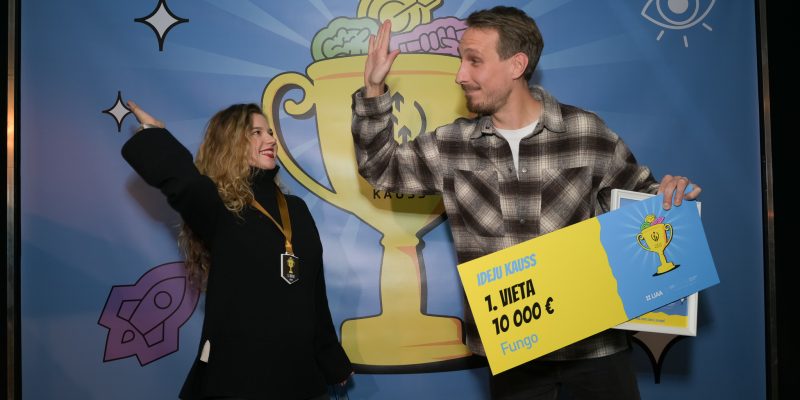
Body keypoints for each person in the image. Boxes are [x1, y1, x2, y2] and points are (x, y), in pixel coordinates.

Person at [352, 6, 700, 400]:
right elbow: (380, 168)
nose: (460, 75)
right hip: (514, 354)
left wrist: (668, 194)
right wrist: (373, 90)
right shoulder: (450, 145)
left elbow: (641, 203)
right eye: (461, 60)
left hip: (595, 348)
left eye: (474, 61)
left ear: (516, 64)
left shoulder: (586, 132)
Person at [122, 101, 352, 399]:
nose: (270, 140)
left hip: (301, 380)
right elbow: (187, 184)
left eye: (270, 132)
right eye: (256, 133)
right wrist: (155, 134)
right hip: (238, 380)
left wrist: (331, 359)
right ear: (230, 143)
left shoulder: (296, 209)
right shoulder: (220, 207)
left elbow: (313, 293)